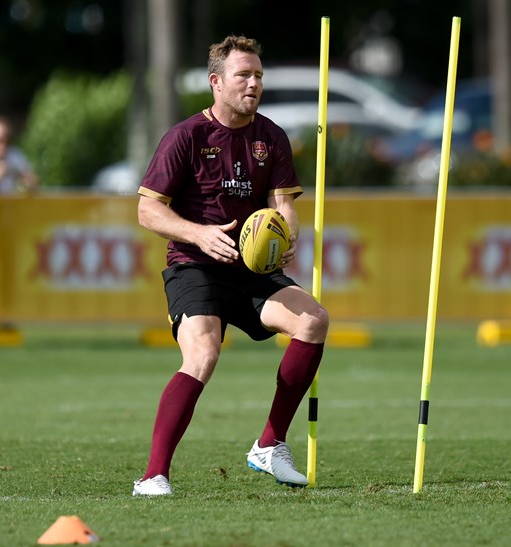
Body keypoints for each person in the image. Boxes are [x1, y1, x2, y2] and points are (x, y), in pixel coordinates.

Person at [132, 35, 329, 496]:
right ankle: (154, 475)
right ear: (216, 82)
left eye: (258, 75)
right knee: (202, 354)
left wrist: (287, 232)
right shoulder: (185, 136)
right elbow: (147, 211)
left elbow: (284, 205)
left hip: (251, 270)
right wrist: (200, 233)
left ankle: (269, 444)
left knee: (314, 321)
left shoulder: (271, 136)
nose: (253, 83)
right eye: (244, 75)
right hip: (194, 266)